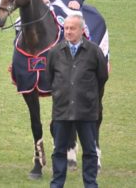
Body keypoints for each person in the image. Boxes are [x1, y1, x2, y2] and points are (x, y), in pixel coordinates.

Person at [45, 14, 108, 188]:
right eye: (66, 28)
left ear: (82, 30)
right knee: (59, 151)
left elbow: (102, 77)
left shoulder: (94, 51)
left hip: (86, 111)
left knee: (89, 151)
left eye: (72, 28)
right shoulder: (55, 52)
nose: (68, 32)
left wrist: (86, 95)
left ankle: (90, 184)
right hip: (62, 111)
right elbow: (49, 78)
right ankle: (57, 184)